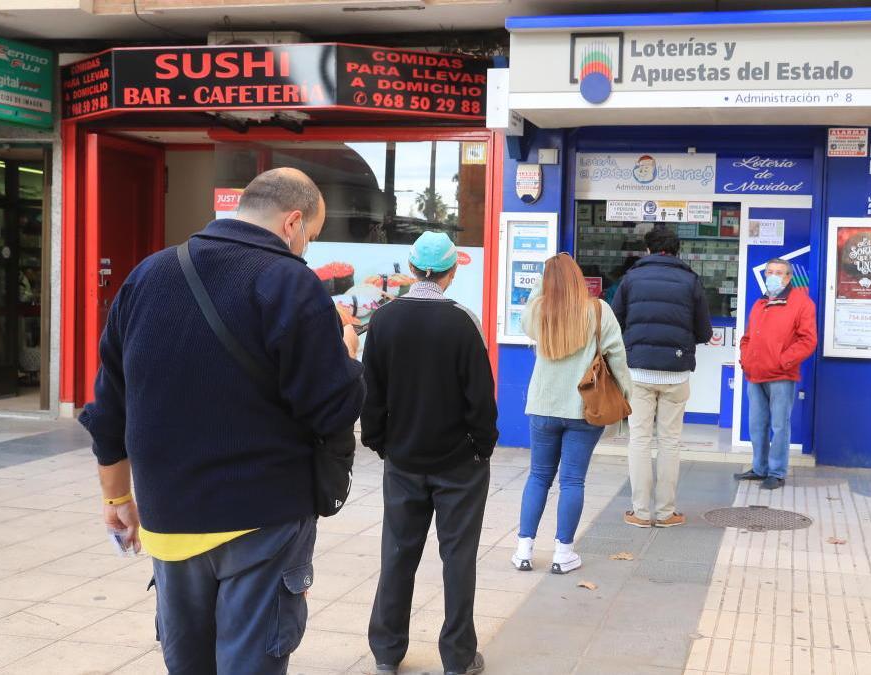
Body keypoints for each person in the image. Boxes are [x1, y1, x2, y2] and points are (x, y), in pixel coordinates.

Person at [79, 168, 365, 674]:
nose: (307, 250)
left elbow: (108, 409)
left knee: (187, 663)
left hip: (170, 517)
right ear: (293, 222)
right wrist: (346, 354)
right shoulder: (290, 282)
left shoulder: (148, 275)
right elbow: (332, 407)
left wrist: (117, 498)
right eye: (311, 238)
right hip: (263, 517)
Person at [362, 231, 498, 675]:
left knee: (398, 553)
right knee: (457, 558)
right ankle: (458, 657)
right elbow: (481, 396)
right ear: (450, 271)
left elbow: (372, 391)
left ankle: (386, 651)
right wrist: (482, 446)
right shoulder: (463, 321)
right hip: (459, 463)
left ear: (412, 266)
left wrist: (380, 440)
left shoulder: (383, 320)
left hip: (403, 459)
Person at [513, 253, 631, 574]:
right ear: (579, 278)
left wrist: (543, 280)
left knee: (538, 476)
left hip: (542, 407)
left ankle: (524, 549)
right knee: (572, 481)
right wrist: (625, 396)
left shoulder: (538, 312)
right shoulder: (598, 310)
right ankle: (563, 553)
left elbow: (527, 315)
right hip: (583, 408)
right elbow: (617, 357)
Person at [612, 227, 712, 528]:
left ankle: (641, 513)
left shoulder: (631, 279)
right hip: (676, 373)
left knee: (640, 440)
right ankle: (667, 513)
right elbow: (705, 331)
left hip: (639, 371)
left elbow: (615, 321)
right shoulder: (690, 280)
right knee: (670, 441)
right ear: (677, 250)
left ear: (648, 250)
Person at [734, 258, 818, 489]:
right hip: (755, 373)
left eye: (779, 272)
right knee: (757, 424)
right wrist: (746, 358)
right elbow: (747, 337)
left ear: (788, 277)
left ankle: (777, 472)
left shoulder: (802, 303)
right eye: (770, 272)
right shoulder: (760, 303)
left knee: (780, 425)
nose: (773, 276)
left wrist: (783, 361)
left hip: (781, 375)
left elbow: (808, 340)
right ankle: (759, 468)